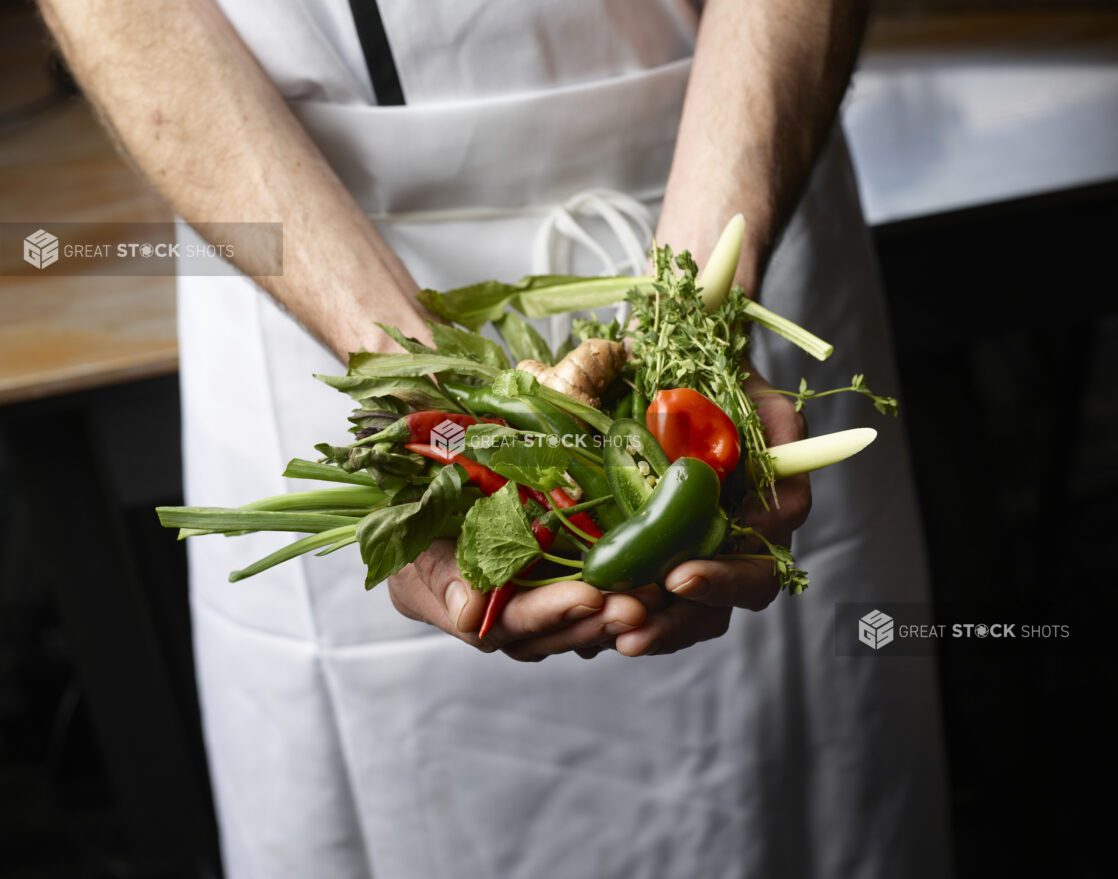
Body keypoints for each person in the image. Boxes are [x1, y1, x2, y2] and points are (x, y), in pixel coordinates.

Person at [41, 0, 952, 876]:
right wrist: (413, 393)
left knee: (808, 785)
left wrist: (697, 325)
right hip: (296, 231)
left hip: (729, 167)